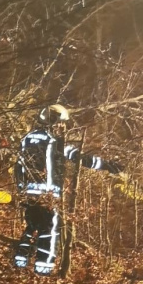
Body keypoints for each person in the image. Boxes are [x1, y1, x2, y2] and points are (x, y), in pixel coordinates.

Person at [13, 105, 122, 275]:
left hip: (29, 194)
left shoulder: (27, 139)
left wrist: (21, 188)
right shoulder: (54, 142)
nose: (62, 127)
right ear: (54, 121)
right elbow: (81, 158)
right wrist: (109, 166)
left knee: (30, 226)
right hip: (49, 195)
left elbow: (18, 167)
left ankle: (20, 263)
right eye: (62, 123)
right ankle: (43, 269)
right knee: (49, 230)